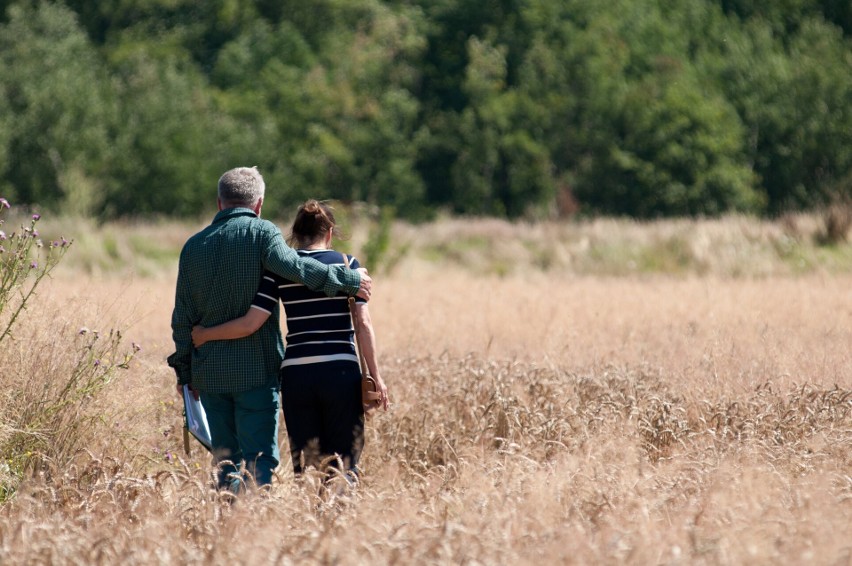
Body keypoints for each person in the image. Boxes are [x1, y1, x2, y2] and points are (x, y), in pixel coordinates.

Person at [168, 168, 372, 494]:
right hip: (256, 373)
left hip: (210, 377)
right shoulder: (263, 234)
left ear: (219, 202)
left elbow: (182, 318)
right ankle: (251, 524)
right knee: (258, 458)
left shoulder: (193, 247)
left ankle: (228, 529)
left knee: (224, 461)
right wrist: (348, 280)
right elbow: (297, 268)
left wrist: (184, 371)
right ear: (259, 204)